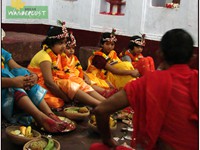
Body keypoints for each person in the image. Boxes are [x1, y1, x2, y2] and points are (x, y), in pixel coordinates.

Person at [90, 29, 198, 150]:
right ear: (192, 58)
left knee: (97, 147)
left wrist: (107, 140)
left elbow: (101, 110)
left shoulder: (150, 81)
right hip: (101, 77)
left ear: (160, 54)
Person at [1, 29, 68, 133]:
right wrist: (13, 82)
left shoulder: (2, 53)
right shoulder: (44, 56)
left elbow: (18, 68)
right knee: (9, 78)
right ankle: (40, 117)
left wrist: (33, 76)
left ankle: (50, 114)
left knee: (22, 74)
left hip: (14, 87)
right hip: (6, 92)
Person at [28, 21, 105, 110]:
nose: (64, 46)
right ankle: (99, 105)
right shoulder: (45, 57)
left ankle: (105, 102)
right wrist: (66, 98)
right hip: (40, 85)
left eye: (64, 43)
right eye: (60, 43)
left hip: (55, 82)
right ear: (51, 43)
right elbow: (49, 83)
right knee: (67, 85)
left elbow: (65, 72)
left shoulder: (59, 54)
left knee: (77, 81)